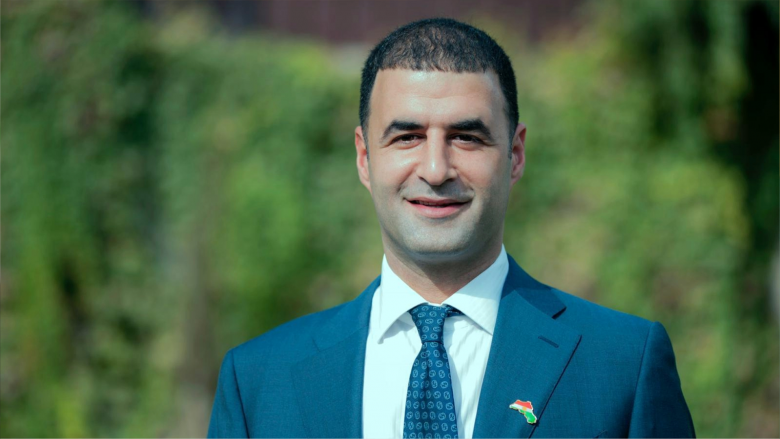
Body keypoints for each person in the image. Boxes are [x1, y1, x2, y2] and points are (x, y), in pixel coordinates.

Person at [207, 18, 695, 438]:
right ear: (364, 157)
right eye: (407, 137)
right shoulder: (258, 382)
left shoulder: (621, 365)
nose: (436, 169)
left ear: (515, 154)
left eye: (466, 137)